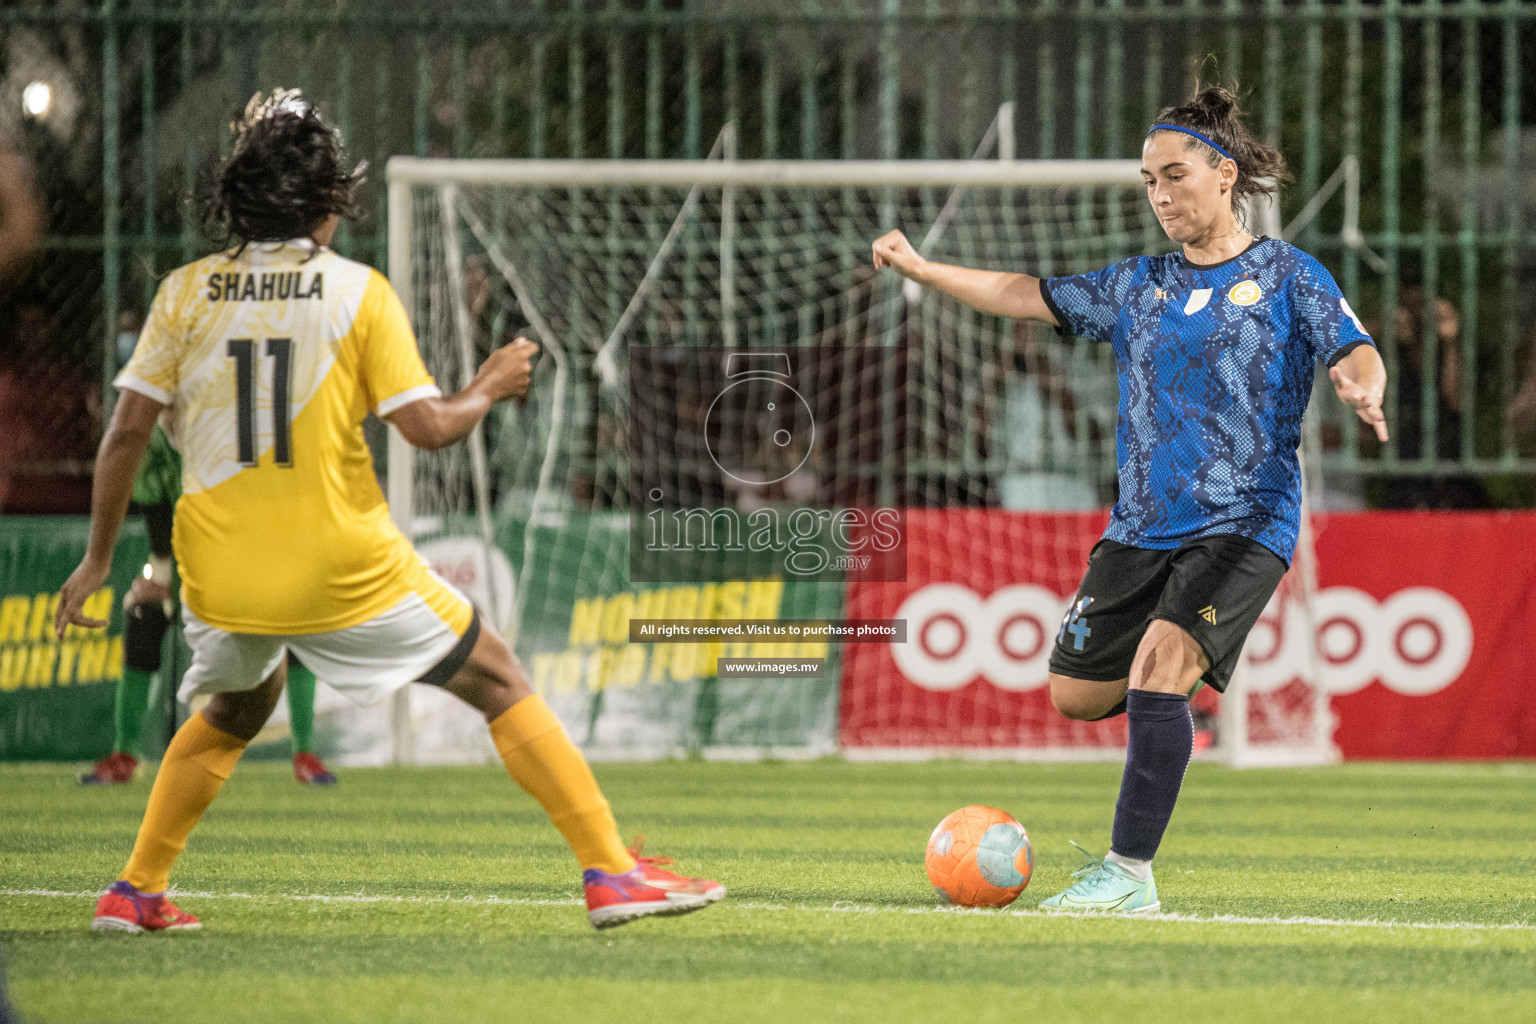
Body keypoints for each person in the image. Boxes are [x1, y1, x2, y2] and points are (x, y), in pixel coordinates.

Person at [55, 89, 721, 933]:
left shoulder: (184, 294)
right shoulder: (355, 293)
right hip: (338, 563)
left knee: (235, 709)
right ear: (326, 205)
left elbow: (123, 436)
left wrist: (98, 559)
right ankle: (611, 872)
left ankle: (135, 889)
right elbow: (429, 429)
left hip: (220, 570)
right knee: (499, 677)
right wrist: (487, 385)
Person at [873, 83, 1387, 913]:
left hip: (1244, 521)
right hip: (1142, 526)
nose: (1160, 195)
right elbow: (1024, 293)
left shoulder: (1291, 275)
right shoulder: (1137, 285)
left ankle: (1129, 876)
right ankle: (1171, 715)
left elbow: (1354, 347)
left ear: (1224, 175)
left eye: (1175, 175)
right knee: (1075, 695)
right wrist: (924, 268)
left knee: (1159, 667)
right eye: (1149, 181)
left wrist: (1361, 387)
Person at [78, 420, 339, 787]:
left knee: (297, 620)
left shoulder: (233, 423)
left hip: (252, 552)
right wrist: (165, 575)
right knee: (142, 613)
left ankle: (305, 755)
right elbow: (156, 507)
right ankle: (124, 756)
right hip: (191, 561)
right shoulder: (152, 439)